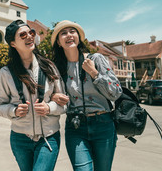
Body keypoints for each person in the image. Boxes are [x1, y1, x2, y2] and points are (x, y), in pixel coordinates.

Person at [0, 19, 68, 171]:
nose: (29, 36)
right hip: (19, 139)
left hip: (48, 137)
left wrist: (49, 108)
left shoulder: (49, 67)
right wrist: (13, 111)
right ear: (13, 43)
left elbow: (64, 102)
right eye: (23, 35)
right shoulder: (5, 73)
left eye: (31, 32)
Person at [50, 20, 122, 171]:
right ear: (58, 42)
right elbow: (50, 94)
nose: (69, 35)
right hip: (76, 127)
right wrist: (54, 97)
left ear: (79, 37)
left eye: (72, 31)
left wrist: (94, 74)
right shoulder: (57, 68)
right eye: (63, 33)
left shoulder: (96, 59)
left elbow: (116, 92)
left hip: (103, 124)